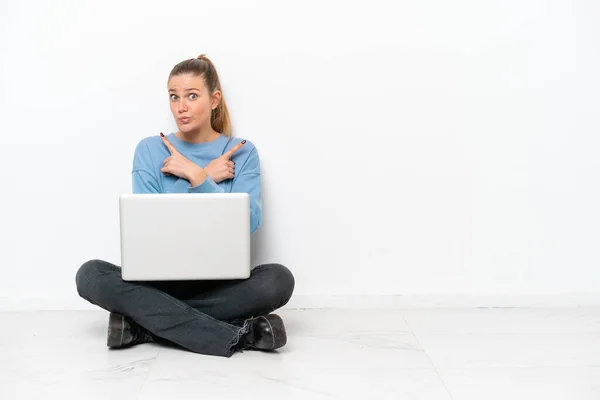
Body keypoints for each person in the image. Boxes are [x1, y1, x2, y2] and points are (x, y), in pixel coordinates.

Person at [75, 54, 295, 358]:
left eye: (192, 96)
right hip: (160, 283)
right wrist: (205, 176)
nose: (181, 106)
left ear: (214, 99)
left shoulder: (242, 152)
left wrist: (196, 175)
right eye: (174, 96)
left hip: (221, 284)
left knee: (278, 280)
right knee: (89, 275)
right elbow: (149, 224)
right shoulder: (151, 149)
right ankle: (241, 335)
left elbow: (249, 223)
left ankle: (143, 325)